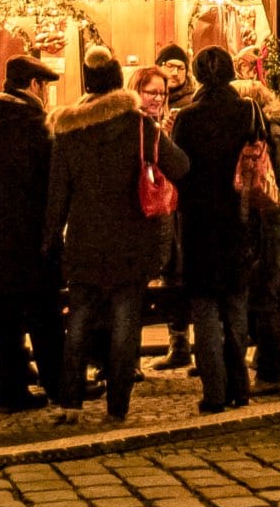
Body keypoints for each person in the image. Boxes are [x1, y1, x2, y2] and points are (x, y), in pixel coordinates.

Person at [46, 54, 187, 423]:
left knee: (78, 321)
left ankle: (70, 403)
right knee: (126, 325)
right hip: (132, 240)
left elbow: (57, 194)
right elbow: (182, 166)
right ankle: (118, 407)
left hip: (84, 240)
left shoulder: (68, 129)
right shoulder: (139, 125)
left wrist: (50, 240)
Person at [0, 54, 62, 411]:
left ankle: (10, 392)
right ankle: (58, 385)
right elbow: (54, 178)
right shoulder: (39, 123)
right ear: (34, 85)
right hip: (32, 233)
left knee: (4, 315)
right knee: (44, 314)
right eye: (46, 87)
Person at [168, 45, 260, 412]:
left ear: (198, 75)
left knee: (205, 309)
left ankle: (215, 392)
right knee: (236, 303)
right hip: (239, 218)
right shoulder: (247, 110)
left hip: (199, 223)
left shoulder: (188, 118)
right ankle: (241, 387)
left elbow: (177, 168)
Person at [236, 79, 280, 390]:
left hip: (271, 222)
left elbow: (267, 183)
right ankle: (271, 359)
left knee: (265, 296)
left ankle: (273, 370)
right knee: (274, 293)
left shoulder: (263, 136)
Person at [132, 63, 193, 371]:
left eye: (163, 93)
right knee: (136, 285)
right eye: (151, 92)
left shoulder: (162, 125)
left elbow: (179, 165)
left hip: (166, 214)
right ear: (136, 91)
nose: (158, 98)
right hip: (137, 218)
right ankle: (126, 359)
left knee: (174, 276)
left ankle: (179, 343)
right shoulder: (134, 126)